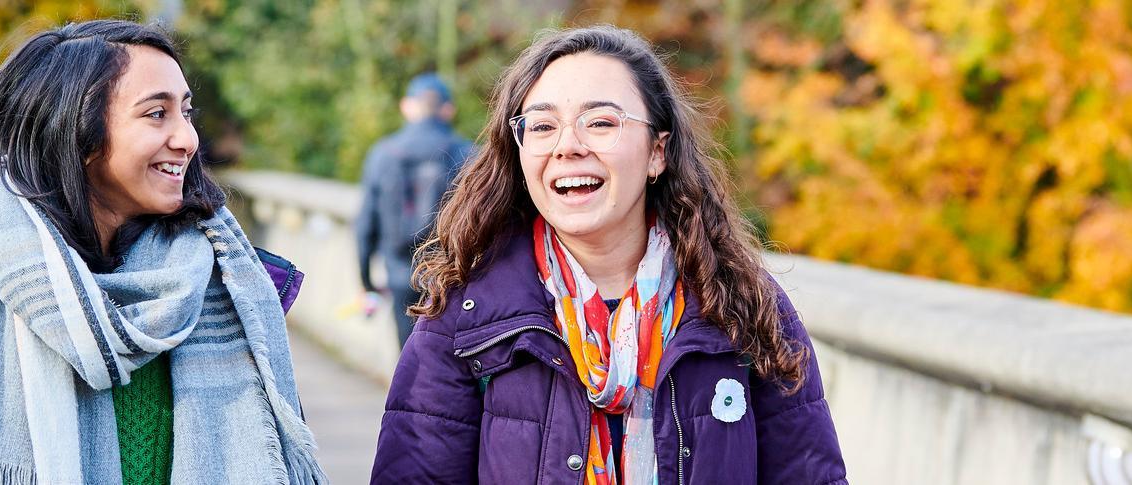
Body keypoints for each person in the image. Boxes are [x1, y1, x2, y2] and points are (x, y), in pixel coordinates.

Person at [0, 20, 324, 484]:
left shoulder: (232, 288)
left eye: (186, 111)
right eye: (157, 113)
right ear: (77, 135)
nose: (188, 139)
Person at [370, 25, 847, 484]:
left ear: (658, 152)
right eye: (542, 126)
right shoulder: (465, 319)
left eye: (600, 122)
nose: (567, 146)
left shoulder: (741, 306)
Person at [354, 72, 474, 345]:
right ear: (448, 109)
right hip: (453, 280)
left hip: (399, 277)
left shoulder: (382, 154)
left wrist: (366, 280)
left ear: (407, 107)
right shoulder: (468, 154)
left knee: (408, 360)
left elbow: (364, 225)